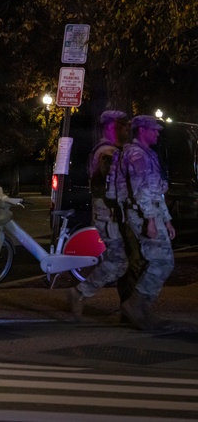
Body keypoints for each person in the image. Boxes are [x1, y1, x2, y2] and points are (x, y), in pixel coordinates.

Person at [113, 115, 176, 330]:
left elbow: (155, 190)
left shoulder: (148, 154)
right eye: (154, 129)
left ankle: (141, 309)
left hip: (151, 213)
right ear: (142, 131)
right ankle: (135, 306)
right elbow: (141, 190)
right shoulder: (136, 154)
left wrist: (166, 219)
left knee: (161, 261)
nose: (157, 133)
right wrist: (150, 220)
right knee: (161, 261)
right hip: (142, 214)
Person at [67, 110, 130, 320]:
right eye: (122, 126)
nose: (126, 130)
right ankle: (81, 291)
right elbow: (114, 185)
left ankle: (125, 306)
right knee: (119, 260)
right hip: (108, 214)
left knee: (121, 259)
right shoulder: (107, 153)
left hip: (109, 213)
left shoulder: (105, 150)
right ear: (111, 127)